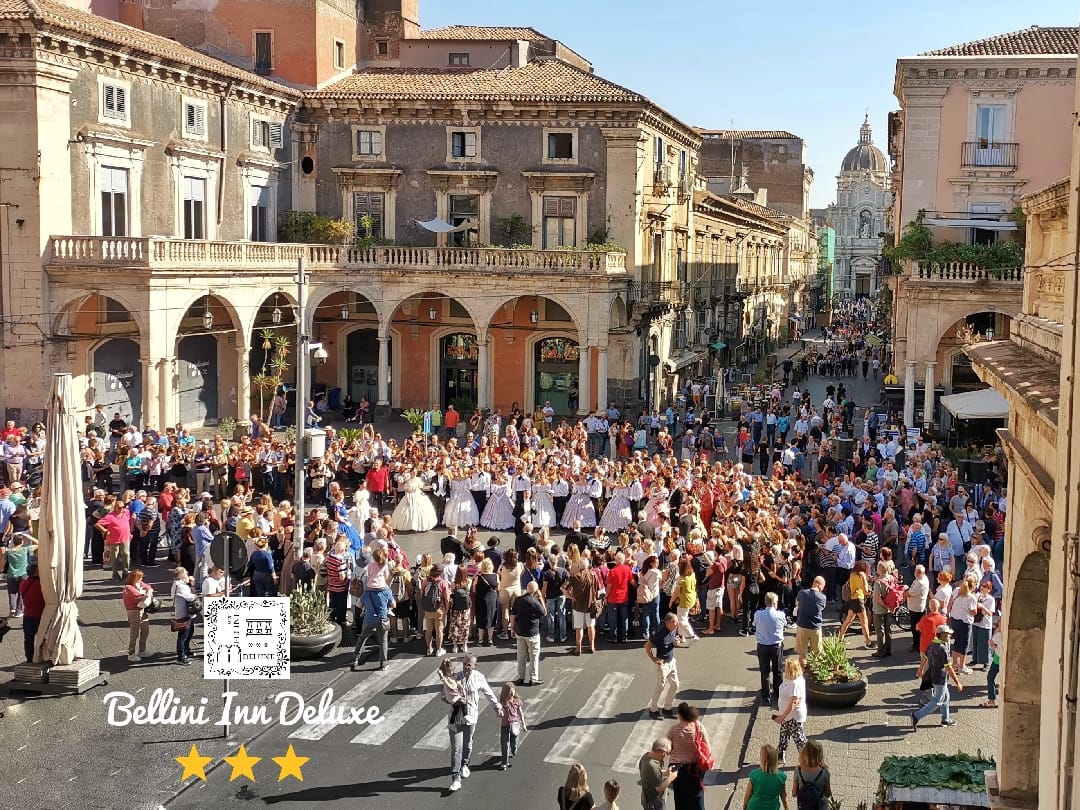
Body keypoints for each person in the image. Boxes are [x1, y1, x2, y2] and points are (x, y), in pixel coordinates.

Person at [445, 655, 502, 793]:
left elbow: (488, 693)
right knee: (456, 748)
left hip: (471, 718)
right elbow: (444, 695)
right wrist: (454, 700)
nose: (466, 667)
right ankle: (455, 778)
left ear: (474, 666)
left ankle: (465, 764)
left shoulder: (478, 677)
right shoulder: (455, 678)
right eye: (464, 664)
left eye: (469, 665)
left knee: (468, 744)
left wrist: (497, 707)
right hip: (456, 718)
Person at [911, 624, 963, 730]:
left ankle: (946, 718)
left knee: (946, 696)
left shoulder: (932, 644)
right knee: (937, 700)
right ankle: (916, 715)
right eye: (948, 634)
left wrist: (920, 669)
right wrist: (958, 682)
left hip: (933, 676)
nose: (949, 636)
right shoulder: (942, 648)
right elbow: (949, 668)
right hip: (940, 678)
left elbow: (925, 658)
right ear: (942, 635)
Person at [666, 702, 711, 810]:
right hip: (695, 767)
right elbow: (707, 746)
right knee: (697, 795)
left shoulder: (674, 729)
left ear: (681, 715)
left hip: (677, 768)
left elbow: (667, 747)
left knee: (680, 797)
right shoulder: (698, 726)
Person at [352, 567, 396, 671]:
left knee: (363, 638)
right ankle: (383, 664)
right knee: (383, 641)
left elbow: (359, 605)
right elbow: (393, 605)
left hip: (369, 619)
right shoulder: (386, 591)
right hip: (382, 619)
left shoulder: (367, 591)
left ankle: (355, 658)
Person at [646, 613, 682, 720]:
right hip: (663, 665)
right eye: (675, 622)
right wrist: (654, 659)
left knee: (675, 685)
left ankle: (667, 708)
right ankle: (653, 710)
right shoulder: (659, 634)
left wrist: (677, 643)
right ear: (668, 623)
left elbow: (676, 640)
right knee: (660, 687)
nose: (677, 624)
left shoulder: (674, 628)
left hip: (671, 662)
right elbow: (647, 647)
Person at [512, 580, 547, 686]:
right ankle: (533, 678)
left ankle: (521, 677)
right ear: (535, 590)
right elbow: (544, 613)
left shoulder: (518, 600)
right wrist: (541, 599)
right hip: (532, 632)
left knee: (521, 656)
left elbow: (513, 615)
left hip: (520, 631)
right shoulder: (535, 602)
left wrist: (512, 629)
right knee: (534, 656)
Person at [755, 592, 786, 707]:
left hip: (762, 645)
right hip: (776, 645)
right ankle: (778, 693)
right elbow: (784, 625)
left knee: (764, 671)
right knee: (778, 670)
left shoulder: (758, 614)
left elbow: (755, 625)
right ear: (774, 603)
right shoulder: (781, 615)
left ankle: (766, 695)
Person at [774, 658, 807, 764]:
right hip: (787, 715)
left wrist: (782, 716)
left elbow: (793, 702)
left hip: (793, 716)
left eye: (786, 668)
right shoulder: (791, 679)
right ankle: (780, 756)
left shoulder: (795, 684)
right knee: (784, 734)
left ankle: (807, 759)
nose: (784, 669)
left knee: (798, 738)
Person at [121, 569, 153, 663]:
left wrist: (148, 592)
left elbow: (149, 587)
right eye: (139, 577)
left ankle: (142, 650)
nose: (141, 579)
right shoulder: (128, 588)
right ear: (133, 578)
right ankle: (131, 653)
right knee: (134, 633)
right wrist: (147, 594)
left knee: (145, 629)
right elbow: (138, 597)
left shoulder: (139, 583)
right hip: (134, 611)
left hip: (142, 609)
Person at [793, 577, 826, 668]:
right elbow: (822, 608)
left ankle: (802, 672)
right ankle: (814, 674)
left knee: (802, 654)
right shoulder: (822, 597)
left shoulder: (802, 593)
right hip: (815, 628)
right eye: (823, 586)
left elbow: (797, 603)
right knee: (817, 654)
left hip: (802, 626)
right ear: (819, 585)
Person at [743, 744, 788, 810]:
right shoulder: (781, 777)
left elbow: (748, 795)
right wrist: (786, 807)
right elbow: (783, 796)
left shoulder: (755, 775)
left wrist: (744, 807)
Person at [169, 566, 198, 666]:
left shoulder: (177, 584)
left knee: (190, 632)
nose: (187, 575)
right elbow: (190, 598)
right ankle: (181, 656)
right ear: (181, 575)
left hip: (185, 612)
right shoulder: (181, 586)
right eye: (185, 573)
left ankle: (186, 649)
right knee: (183, 635)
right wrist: (194, 591)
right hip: (184, 614)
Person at [791, 740, 832, 810]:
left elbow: (794, 793)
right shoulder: (824, 773)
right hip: (820, 807)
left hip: (804, 807)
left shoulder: (798, 770)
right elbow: (828, 793)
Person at [638, 737, 676, 810]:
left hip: (646, 798)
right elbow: (659, 788)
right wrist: (671, 777)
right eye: (667, 753)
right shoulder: (652, 766)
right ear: (661, 752)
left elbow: (652, 774)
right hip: (654, 803)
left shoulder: (646, 757)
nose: (666, 756)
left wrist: (666, 772)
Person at [18, 563, 44, 663]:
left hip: (28, 615)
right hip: (41, 614)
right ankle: (41, 656)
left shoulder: (23, 583)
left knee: (28, 639)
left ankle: (29, 658)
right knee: (43, 638)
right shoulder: (42, 584)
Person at [498, 680, 526, 771]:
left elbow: (520, 713)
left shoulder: (517, 701)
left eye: (513, 690)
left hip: (515, 724)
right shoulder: (503, 702)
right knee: (504, 744)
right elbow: (499, 711)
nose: (512, 693)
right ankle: (504, 763)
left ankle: (514, 748)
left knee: (514, 741)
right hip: (505, 725)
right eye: (510, 691)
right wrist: (500, 713)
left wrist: (523, 724)